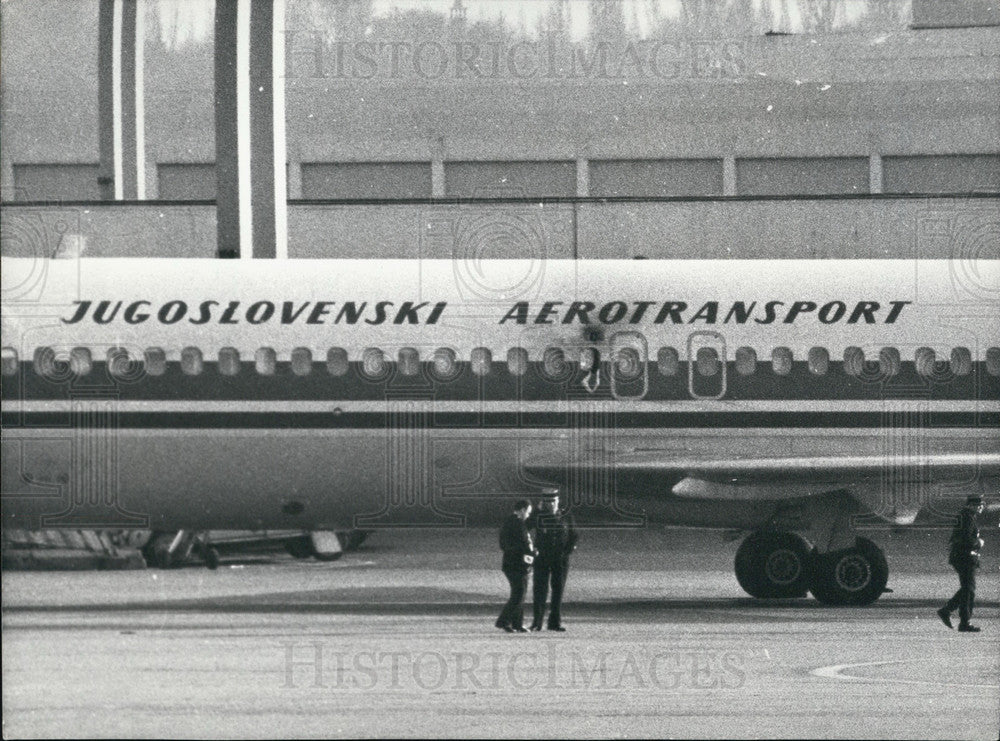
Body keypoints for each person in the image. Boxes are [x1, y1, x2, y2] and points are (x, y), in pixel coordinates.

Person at [529, 489, 578, 632]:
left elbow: (574, 534)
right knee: (540, 591)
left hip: (560, 559)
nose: (550, 505)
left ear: (558, 501)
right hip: (542, 558)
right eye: (547, 502)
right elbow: (526, 526)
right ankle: (537, 622)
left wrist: (567, 551)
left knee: (558, 591)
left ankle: (554, 622)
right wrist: (536, 512)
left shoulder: (565, 515)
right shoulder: (539, 515)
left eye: (553, 501)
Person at [938, 495, 985, 632]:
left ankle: (949, 612)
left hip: (963, 557)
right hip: (964, 558)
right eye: (979, 504)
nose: (981, 507)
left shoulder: (966, 516)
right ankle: (963, 621)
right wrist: (979, 543)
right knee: (969, 589)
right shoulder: (967, 517)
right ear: (971, 505)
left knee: (968, 588)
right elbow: (966, 538)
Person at [496, 499, 535, 633]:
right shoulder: (516, 523)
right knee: (519, 594)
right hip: (515, 564)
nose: (528, 515)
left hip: (514, 563)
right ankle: (504, 621)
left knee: (520, 593)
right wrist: (531, 552)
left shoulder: (512, 522)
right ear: (523, 510)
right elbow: (522, 544)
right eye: (528, 512)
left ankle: (517, 624)